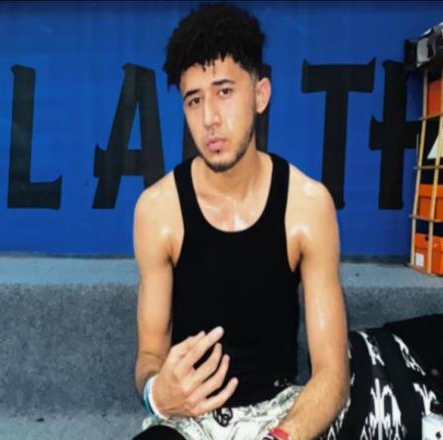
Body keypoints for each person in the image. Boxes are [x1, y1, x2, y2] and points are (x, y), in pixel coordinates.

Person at [131, 3, 349, 439]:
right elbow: (150, 355)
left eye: (225, 91)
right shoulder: (157, 210)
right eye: (194, 100)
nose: (210, 118)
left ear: (260, 95)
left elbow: (332, 374)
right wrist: (157, 392)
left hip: (281, 415)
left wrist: (281, 437)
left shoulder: (307, 205)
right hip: (190, 422)